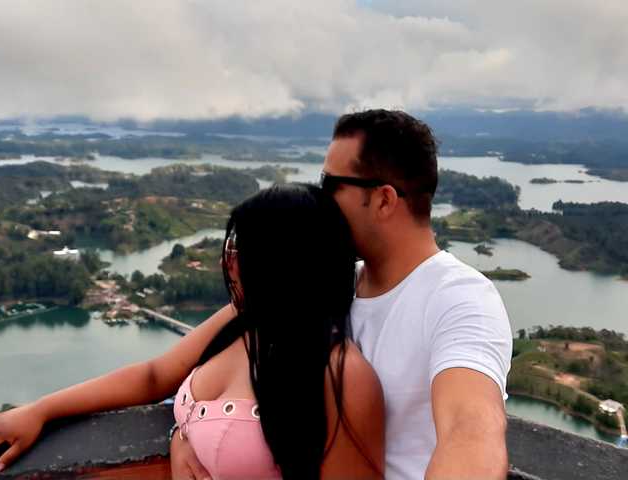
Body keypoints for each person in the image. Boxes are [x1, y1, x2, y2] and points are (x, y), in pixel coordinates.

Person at [169, 109, 513, 480]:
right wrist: (186, 431)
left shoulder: (460, 300)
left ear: (383, 201)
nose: (321, 197)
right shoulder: (323, 282)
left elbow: (472, 430)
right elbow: (174, 371)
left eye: (331, 184)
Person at [0, 184, 385, 479]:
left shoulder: (342, 375)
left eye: (241, 252)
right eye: (232, 250)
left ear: (283, 264)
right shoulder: (241, 321)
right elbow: (154, 376)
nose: (229, 264)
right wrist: (40, 410)